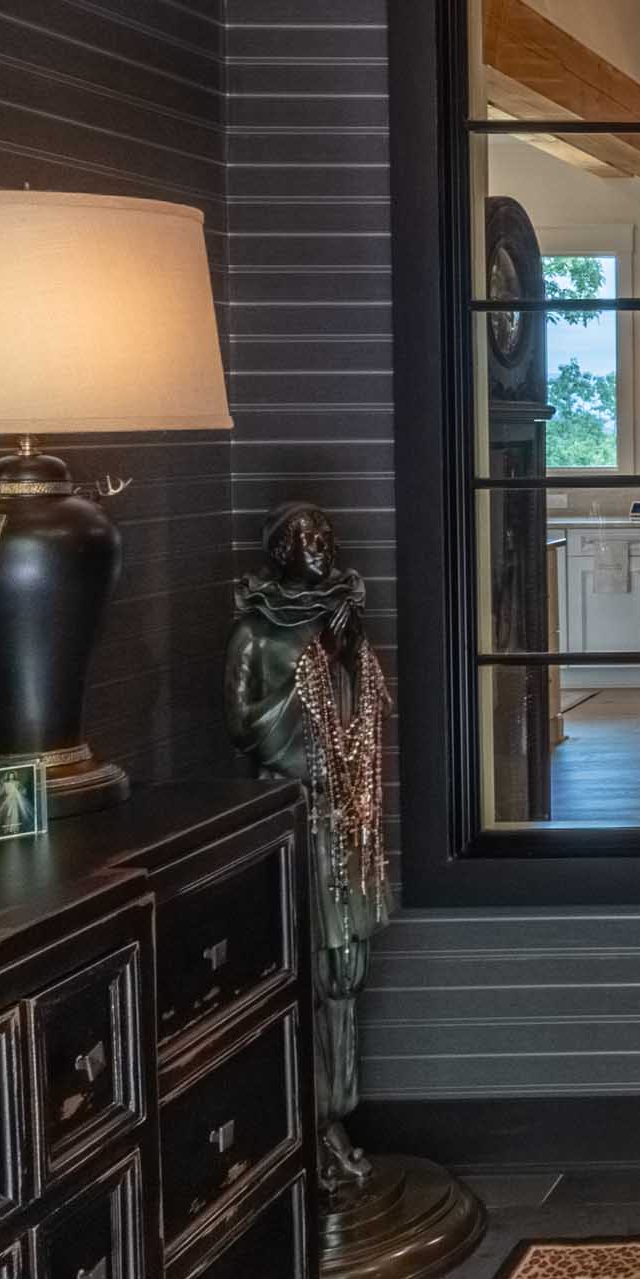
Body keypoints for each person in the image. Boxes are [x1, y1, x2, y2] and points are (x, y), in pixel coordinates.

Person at [228, 500, 393, 1199]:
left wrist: (348, 652)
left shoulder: (337, 619)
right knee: (310, 973)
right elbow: (243, 724)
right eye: (303, 538)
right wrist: (312, 671)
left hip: (344, 814)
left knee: (346, 974)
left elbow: (366, 706)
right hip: (296, 818)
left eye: (325, 535)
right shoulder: (255, 630)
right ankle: (309, 1126)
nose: (320, 547)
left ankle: (337, 1120)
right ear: (278, 552)